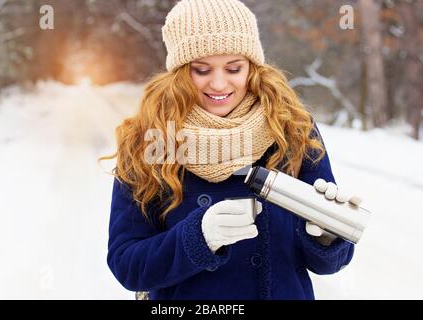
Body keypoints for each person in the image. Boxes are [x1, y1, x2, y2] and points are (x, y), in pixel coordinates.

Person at [103, 0, 361, 300]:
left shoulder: (293, 129)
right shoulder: (148, 140)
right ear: (180, 72)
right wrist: (197, 238)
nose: (218, 83)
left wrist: (327, 237)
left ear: (252, 68)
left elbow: (328, 263)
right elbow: (127, 264)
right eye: (201, 69)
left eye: (233, 68)